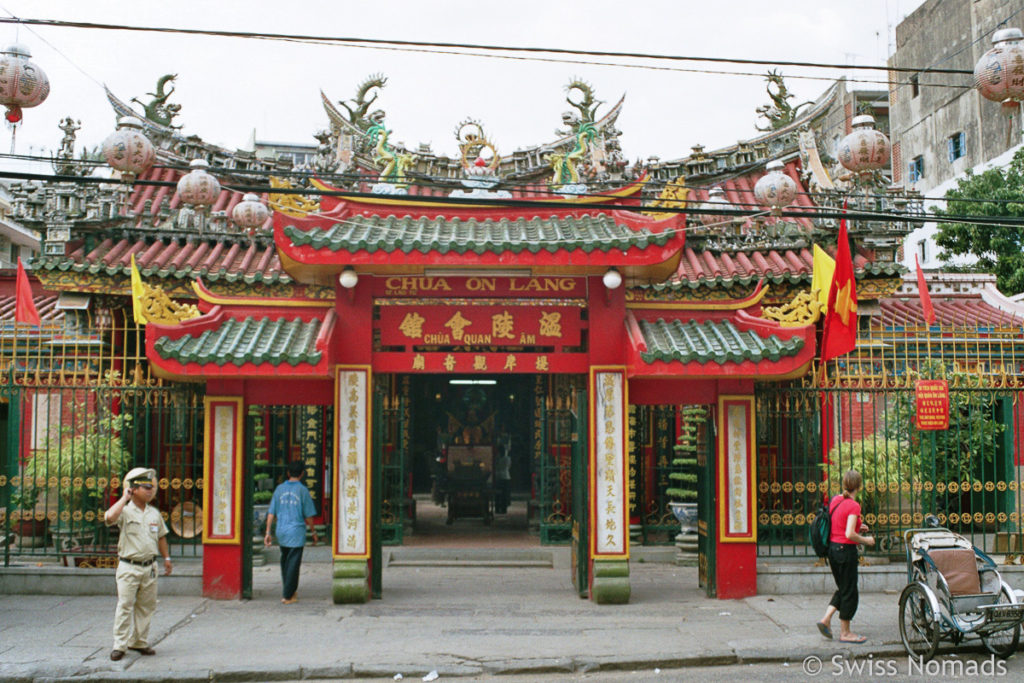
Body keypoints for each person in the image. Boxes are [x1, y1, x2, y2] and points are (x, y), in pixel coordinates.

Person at [104, 466, 172, 661]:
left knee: (146, 606)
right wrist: (124, 498)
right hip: (129, 566)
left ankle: (139, 641)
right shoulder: (124, 511)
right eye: (145, 487)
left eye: (151, 486)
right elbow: (109, 518)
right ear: (133, 489)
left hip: (149, 567)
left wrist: (166, 558)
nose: (150, 490)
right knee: (125, 605)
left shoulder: (154, 513)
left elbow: (161, 537)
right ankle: (120, 645)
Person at [817, 469, 875, 643]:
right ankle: (845, 632)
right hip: (845, 552)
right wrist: (867, 540)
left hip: (833, 551)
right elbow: (849, 534)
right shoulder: (854, 505)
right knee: (850, 592)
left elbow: (840, 524)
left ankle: (825, 619)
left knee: (843, 587)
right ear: (859, 486)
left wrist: (859, 525)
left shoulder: (836, 500)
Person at [264, 460, 318, 604]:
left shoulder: (279, 489)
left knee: (285, 561)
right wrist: (313, 532)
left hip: (282, 531)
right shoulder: (303, 490)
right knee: (293, 563)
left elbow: (271, 513)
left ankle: (289, 590)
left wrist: (268, 532)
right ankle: (287, 595)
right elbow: (309, 516)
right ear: (302, 474)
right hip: (296, 532)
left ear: (288, 473)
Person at [493, 433, 511, 514]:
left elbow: (494, 466)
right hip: (506, 477)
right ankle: (504, 509)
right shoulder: (507, 459)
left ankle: (497, 509)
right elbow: (509, 466)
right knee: (504, 494)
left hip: (498, 477)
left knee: (497, 494)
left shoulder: (496, 458)